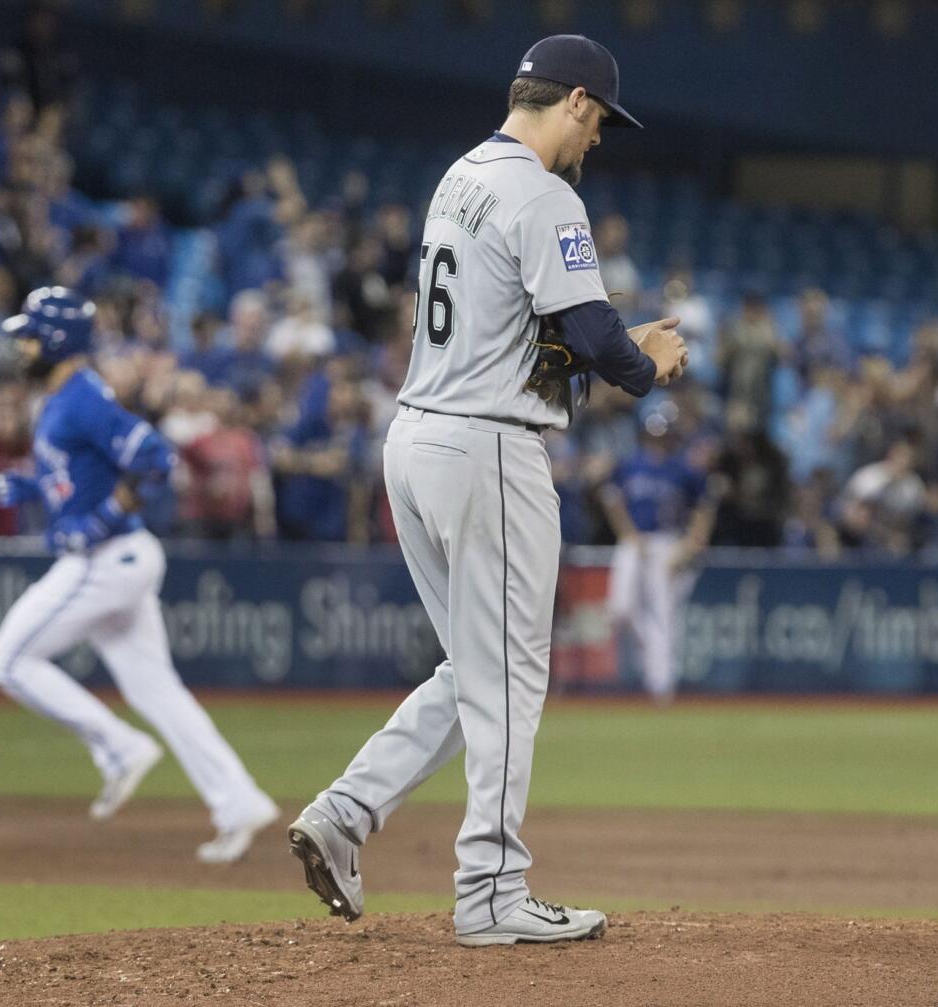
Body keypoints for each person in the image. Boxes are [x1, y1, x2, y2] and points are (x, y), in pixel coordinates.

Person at [288, 35, 686, 947]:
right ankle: (492, 889)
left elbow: (524, 329)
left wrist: (591, 357)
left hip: (419, 439)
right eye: (600, 124)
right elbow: (594, 335)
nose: (598, 144)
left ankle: (346, 812)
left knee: (479, 668)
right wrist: (648, 362)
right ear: (577, 101)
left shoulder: (459, 177)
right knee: (511, 674)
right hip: (490, 449)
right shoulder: (546, 194)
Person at [0, 286, 278, 864]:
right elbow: (84, 473)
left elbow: (155, 458)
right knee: (158, 691)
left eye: (30, 335)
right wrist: (38, 488)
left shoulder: (78, 398)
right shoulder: (65, 397)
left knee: (9, 661)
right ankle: (238, 802)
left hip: (107, 560)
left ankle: (118, 747)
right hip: (122, 558)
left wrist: (102, 520)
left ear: (57, 338)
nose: (21, 347)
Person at [600, 419, 716, 702]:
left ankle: (661, 685)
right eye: (653, 434)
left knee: (663, 615)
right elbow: (610, 499)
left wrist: (693, 542)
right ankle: (654, 663)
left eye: (663, 434)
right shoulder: (629, 465)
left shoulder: (682, 470)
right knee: (620, 608)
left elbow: (705, 504)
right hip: (633, 541)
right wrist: (627, 532)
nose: (658, 440)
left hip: (666, 542)